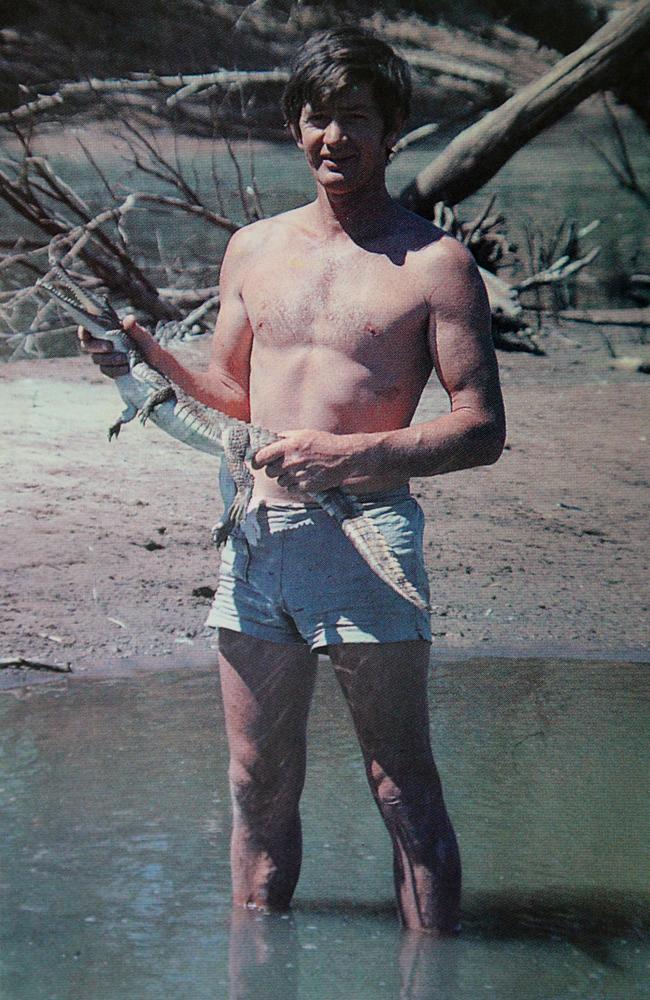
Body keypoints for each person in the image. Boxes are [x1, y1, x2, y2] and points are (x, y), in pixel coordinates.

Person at [79, 27, 505, 935]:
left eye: (356, 118)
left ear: (394, 131)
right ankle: (256, 967)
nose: (333, 138)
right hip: (256, 538)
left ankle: (434, 968)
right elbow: (232, 393)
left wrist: (351, 456)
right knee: (255, 780)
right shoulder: (253, 247)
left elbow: (481, 429)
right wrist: (144, 357)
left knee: (399, 781)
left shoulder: (436, 264)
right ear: (293, 127)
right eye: (317, 117)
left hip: (365, 539)